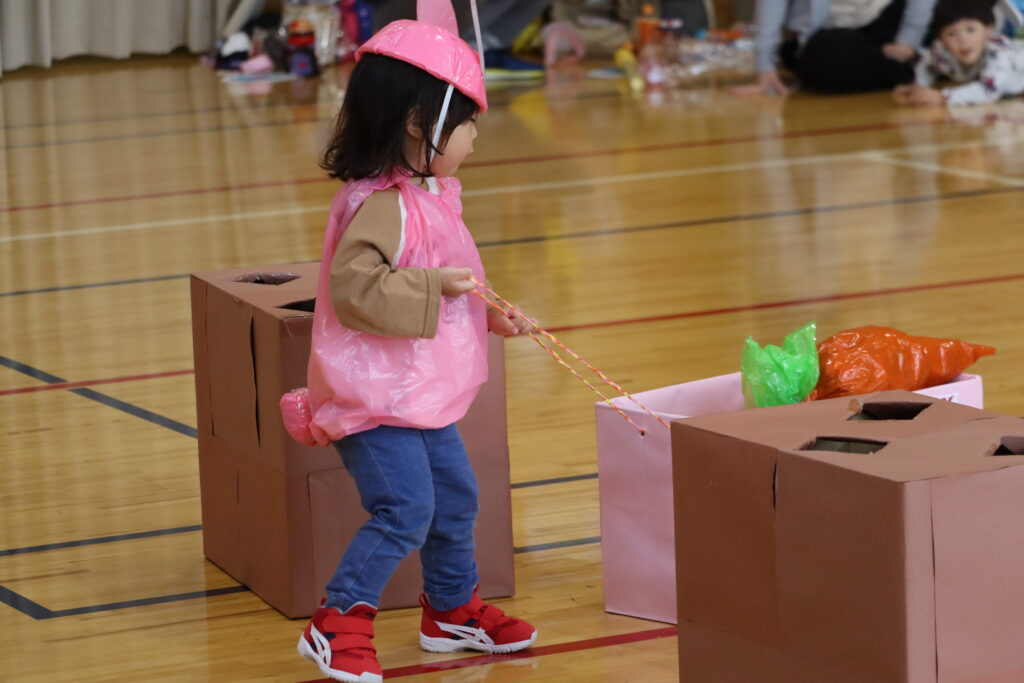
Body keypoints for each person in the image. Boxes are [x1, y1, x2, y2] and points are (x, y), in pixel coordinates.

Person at [290, 3, 536, 681]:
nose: (476, 137)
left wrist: (487, 312)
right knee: (405, 509)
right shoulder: (380, 204)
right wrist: (437, 289)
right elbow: (355, 290)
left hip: (414, 394)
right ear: (418, 125)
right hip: (372, 398)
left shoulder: (429, 192)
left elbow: (448, 275)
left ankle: (450, 609)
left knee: (455, 499)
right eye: (467, 123)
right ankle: (336, 619)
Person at [733, 0, 937, 95]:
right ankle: (918, 70)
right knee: (824, 56)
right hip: (833, 33)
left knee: (949, 25)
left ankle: (919, 64)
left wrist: (907, 42)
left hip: (892, 22)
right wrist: (765, 65)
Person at [895, 0, 1024, 106]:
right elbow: (927, 64)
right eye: (951, 34)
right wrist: (919, 87)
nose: (963, 40)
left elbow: (988, 91)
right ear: (941, 39)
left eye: (970, 30)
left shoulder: (998, 51)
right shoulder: (941, 52)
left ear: (988, 30)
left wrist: (942, 96)